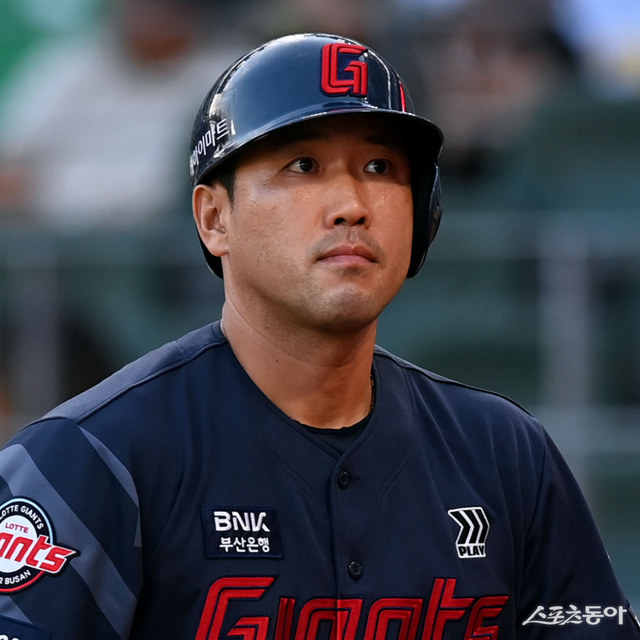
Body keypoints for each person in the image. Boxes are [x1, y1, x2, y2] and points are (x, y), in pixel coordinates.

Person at [0, 32, 637, 640]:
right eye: (303, 165)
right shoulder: (90, 460)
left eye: (381, 166)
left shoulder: (505, 452)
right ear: (214, 218)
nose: (352, 205)